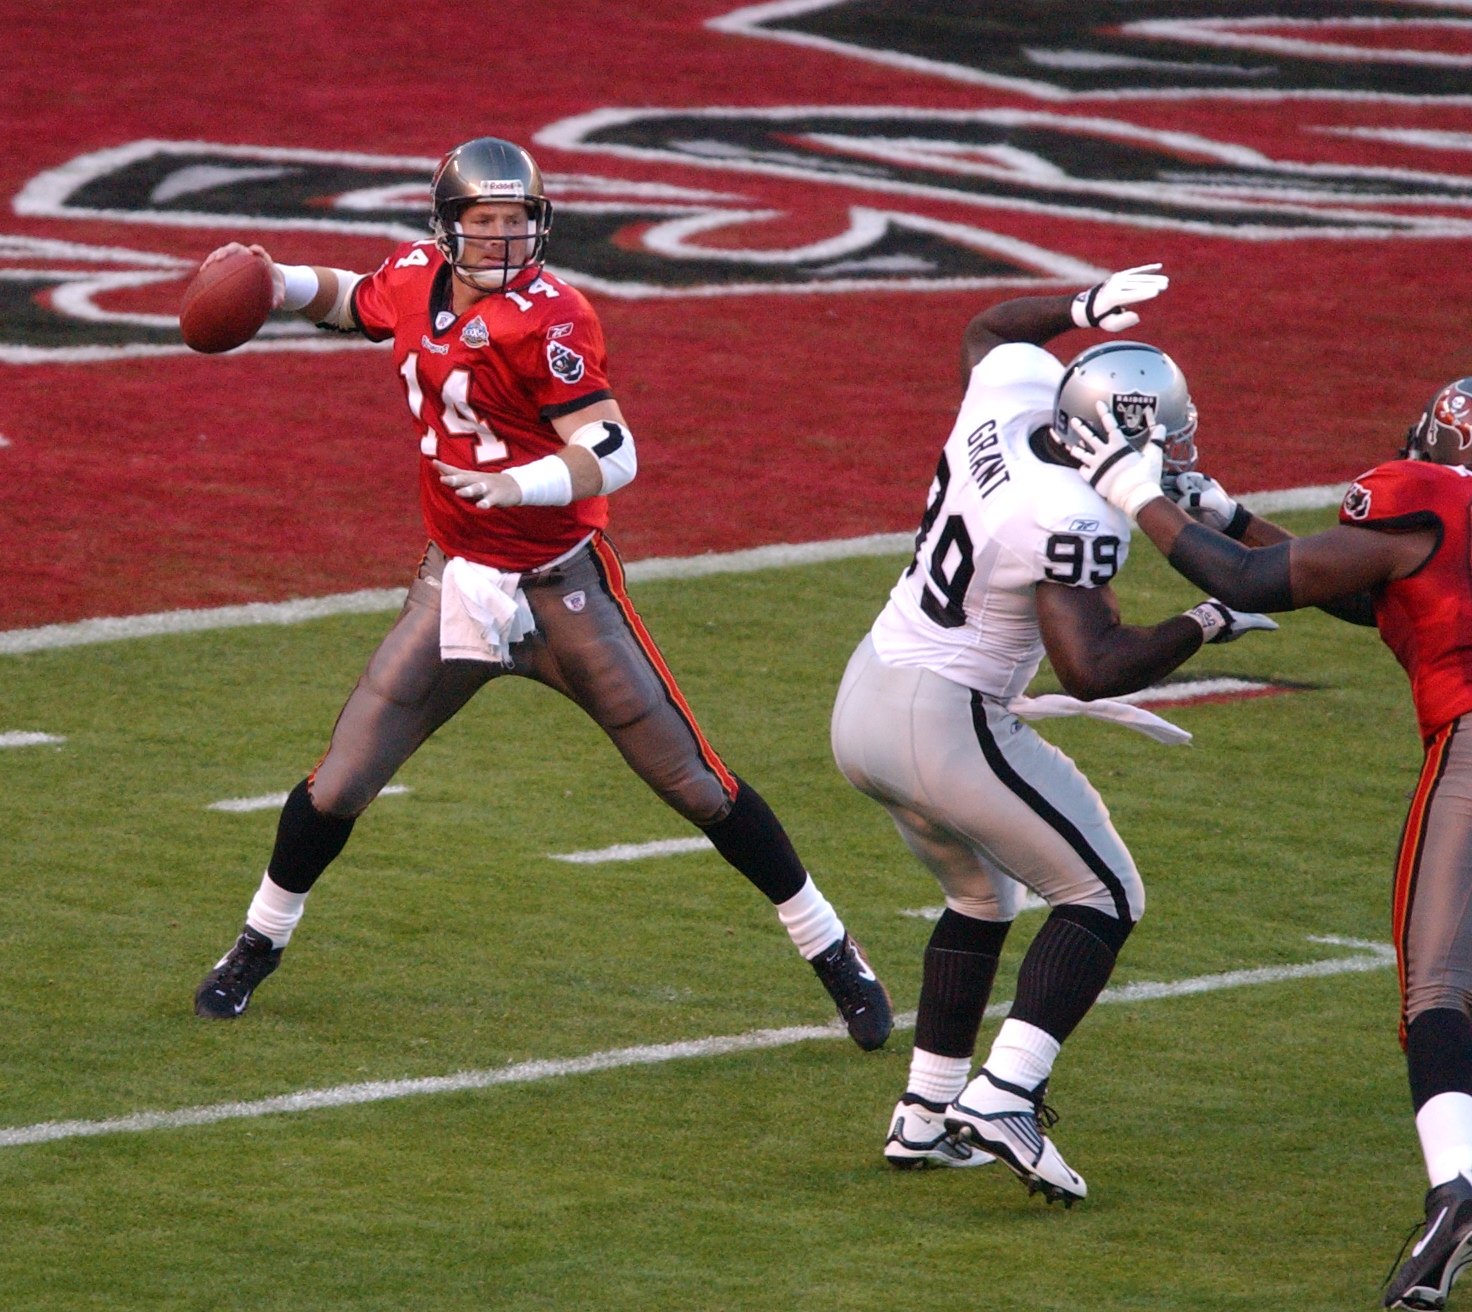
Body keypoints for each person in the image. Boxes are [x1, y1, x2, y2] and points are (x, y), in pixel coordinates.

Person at [186, 137, 891, 1049]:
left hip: (563, 589)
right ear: (446, 228)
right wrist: (275, 283)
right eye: (483, 222)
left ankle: (834, 951)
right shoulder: (412, 276)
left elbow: (615, 449)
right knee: (342, 779)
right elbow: (352, 299)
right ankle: (257, 943)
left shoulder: (551, 318)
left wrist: (522, 485)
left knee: (694, 783)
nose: (503, 240)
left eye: (517, 221)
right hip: (456, 579)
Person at [828, 264, 1277, 1205]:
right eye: (1166, 432)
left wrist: (1076, 308)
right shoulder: (1070, 515)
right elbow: (1091, 666)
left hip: (868, 691)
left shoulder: (1011, 397)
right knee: (1105, 892)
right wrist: (1204, 624)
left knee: (983, 897)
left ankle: (925, 1113)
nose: (1183, 445)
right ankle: (1006, 1095)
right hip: (945, 715)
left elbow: (989, 327)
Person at [1070, 377, 1472, 1307]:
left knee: (1439, 990)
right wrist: (1230, 512)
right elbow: (1372, 594)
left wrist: (1139, 492)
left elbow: (1253, 586)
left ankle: (1456, 1190)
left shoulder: (1432, 492)